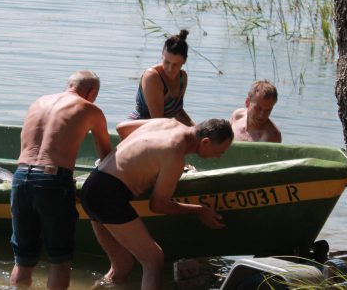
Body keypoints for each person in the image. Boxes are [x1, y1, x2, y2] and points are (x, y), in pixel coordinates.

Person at [81, 118, 233, 289]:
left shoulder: (169, 123)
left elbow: (122, 128)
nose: (219, 156)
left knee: (122, 265)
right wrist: (199, 210)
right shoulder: (175, 154)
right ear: (205, 142)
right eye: (220, 151)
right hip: (108, 194)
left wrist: (143, 162)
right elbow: (158, 205)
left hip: (92, 185)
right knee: (153, 259)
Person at [10, 70, 113, 289]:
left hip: (20, 178)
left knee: (23, 258)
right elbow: (106, 155)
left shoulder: (38, 102)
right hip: (52, 181)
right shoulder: (89, 108)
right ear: (92, 91)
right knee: (60, 259)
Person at [129, 29, 194, 126]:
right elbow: (157, 119)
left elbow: (178, 112)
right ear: (162, 55)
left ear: (184, 61)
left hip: (164, 128)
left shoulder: (183, 77)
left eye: (176, 65)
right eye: (167, 62)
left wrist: (196, 130)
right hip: (141, 128)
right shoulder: (152, 76)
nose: (170, 68)